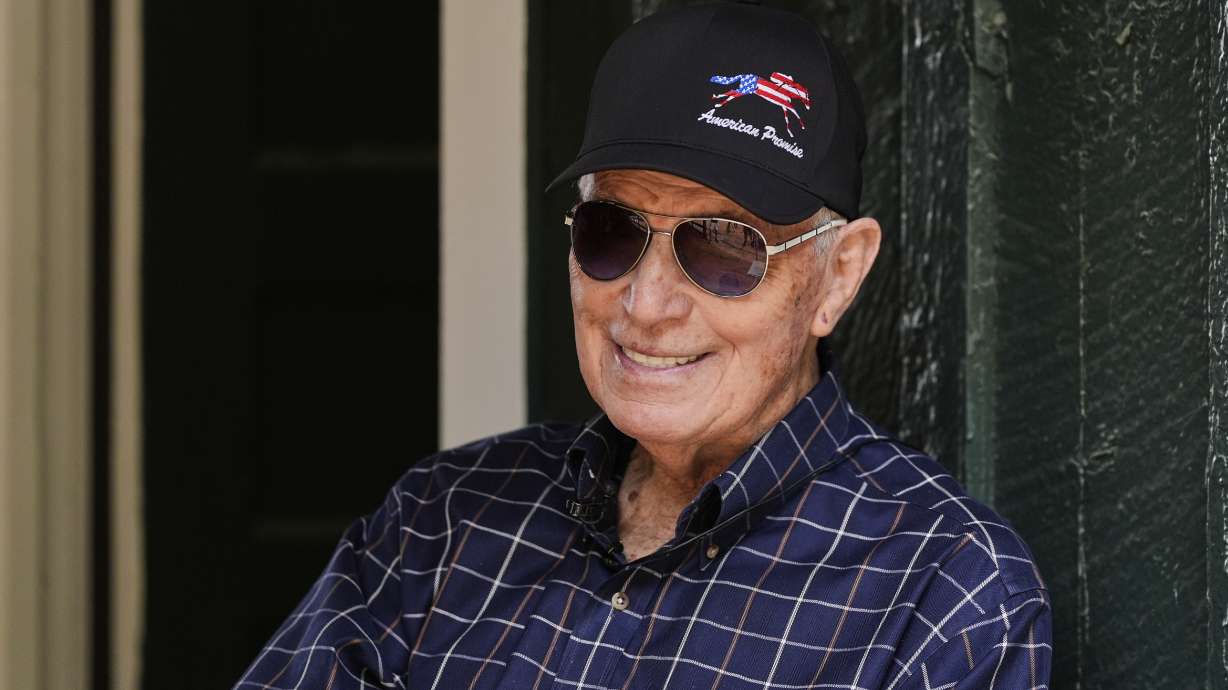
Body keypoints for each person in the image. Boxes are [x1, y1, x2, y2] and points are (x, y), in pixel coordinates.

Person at [236, 2, 1051, 688]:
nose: (647, 303)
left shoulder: (940, 594)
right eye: (611, 230)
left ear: (838, 276)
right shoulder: (440, 522)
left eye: (725, 247)